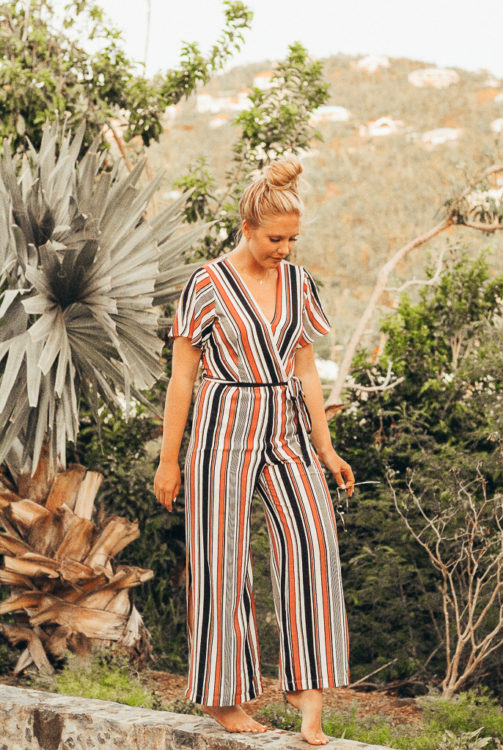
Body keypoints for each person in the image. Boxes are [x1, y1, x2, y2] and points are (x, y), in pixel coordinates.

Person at [154, 156, 354, 746]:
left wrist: (325, 446)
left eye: (293, 238)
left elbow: (307, 368)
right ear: (246, 229)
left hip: (285, 422)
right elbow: (181, 379)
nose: (285, 249)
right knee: (223, 559)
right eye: (275, 238)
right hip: (223, 423)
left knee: (312, 543)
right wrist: (170, 460)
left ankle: (308, 696)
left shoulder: (297, 283)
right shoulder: (207, 284)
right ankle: (223, 696)